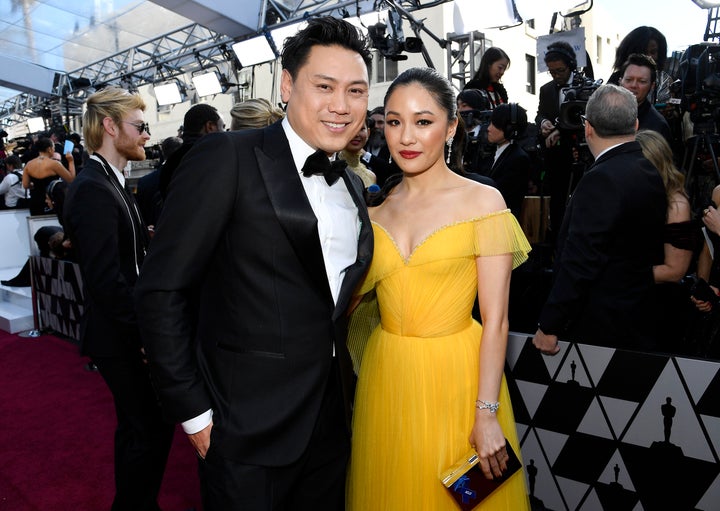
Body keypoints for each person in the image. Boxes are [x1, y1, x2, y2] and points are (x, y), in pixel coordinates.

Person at [134, 17, 373, 510]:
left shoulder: (350, 183)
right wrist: (194, 411)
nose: (341, 105)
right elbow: (161, 289)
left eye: (355, 90)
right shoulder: (227, 157)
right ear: (287, 85)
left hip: (331, 421)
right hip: (245, 424)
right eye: (323, 86)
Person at [347, 67, 531, 510]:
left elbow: (498, 320)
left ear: (451, 128)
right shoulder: (374, 211)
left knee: (460, 499)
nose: (406, 136)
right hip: (386, 374)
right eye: (393, 121)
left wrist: (486, 414)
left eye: (422, 121)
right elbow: (346, 306)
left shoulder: (483, 202)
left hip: (459, 378)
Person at [63, 86, 174, 511]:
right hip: (119, 336)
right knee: (146, 430)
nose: (146, 135)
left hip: (121, 331)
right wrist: (143, 336)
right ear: (110, 127)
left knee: (140, 429)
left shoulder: (108, 181)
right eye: (140, 126)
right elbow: (106, 280)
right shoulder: (93, 187)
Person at [532, 84, 667, 355]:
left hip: (601, 328)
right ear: (636, 124)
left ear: (588, 127)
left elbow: (581, 259)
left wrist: (549, 325)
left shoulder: (602, 179)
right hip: (639, 315)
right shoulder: (649, 170)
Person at [535, 41, 580, 242]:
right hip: (554, 156)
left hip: (578, 153)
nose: (556, 75)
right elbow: (540, 114)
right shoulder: (546, 90)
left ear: (570, 65)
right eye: (552, 72)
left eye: (560, 70)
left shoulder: (584, 85)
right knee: (557, 201)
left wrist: (559, 131)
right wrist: (543, 122)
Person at [157, 103, 225, 199]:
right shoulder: (216, 160)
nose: (225, 132)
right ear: (210, 126)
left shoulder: (170, 164)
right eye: (222, 127)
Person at [483, 103, 531, 218]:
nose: (488, 128)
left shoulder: (519, 159)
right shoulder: (493, 153)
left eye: (494, 124)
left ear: (510, 129)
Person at [620, 54, 672, 145]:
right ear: (620, 82)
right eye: (629, 79)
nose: (634, 85)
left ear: (652, 86)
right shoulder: (606, 114)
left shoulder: (657, 126)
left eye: (642, 81)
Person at [608, 26, 670, 104]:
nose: (648, 57)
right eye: (628, 80)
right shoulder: (614, 81)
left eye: (653, 52)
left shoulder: (664, 80)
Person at [22, 137, 75, 215]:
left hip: (35, 201)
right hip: (52, 200)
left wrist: (34, 185)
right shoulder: (55, 164)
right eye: (53, 147)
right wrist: (71, 161)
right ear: (49, 149)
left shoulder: (29, 164)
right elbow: (71, 179)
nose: (54, 150)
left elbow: (25, 185)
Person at [339, 121, 376, 188]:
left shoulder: (370, 176)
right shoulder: (331, 171)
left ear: (368, 132)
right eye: (350, 129)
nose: (356, 134)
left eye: (361, 129)